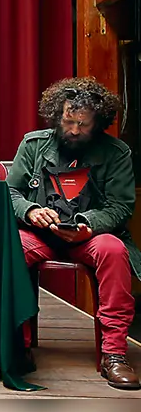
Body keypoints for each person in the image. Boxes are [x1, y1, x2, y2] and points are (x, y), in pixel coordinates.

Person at [8, 77, 140, 389]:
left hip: (90, 236)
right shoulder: (33, 145)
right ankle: (18, 347)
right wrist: (30, 211)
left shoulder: (116, 152)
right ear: (57, 115)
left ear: (98, 122)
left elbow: (121, 206)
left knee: (114, 251)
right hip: (40, 234)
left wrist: (87, 225)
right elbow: (10, 192)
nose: (75, 130)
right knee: (11, 248)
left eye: (83, 124)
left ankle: (114, 354)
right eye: (69, 122)